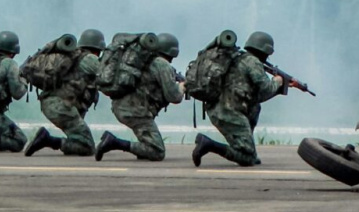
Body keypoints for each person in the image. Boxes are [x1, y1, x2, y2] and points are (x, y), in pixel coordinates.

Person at [191, 31, 284, 167]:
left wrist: (277, 90)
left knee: (255, 108)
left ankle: (248, 151)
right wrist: (278, 82)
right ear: (265, 51)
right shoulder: (252, 62)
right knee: (247, 158)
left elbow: (257, 97)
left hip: (221, 110)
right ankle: (208, 144)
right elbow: (266, 88)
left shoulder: (238, 59)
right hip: (229, 113)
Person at [95, 32, 185, 161]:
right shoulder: (162, 65)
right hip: (136, 111)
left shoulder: (144, 60)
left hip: (123, 107)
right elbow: (174, 97)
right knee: (157, 151)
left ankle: (142, 149)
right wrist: (182, 86)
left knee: (148, 142)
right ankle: (113, 142)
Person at [25, 29, 105, 157]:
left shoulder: (74, 58)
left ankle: (50, 140)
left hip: (54, 104)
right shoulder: (90, 59)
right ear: (98, 49)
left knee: (79, 138)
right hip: (61, 106)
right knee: (87, 146)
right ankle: (46, 140)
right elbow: (107, 76)